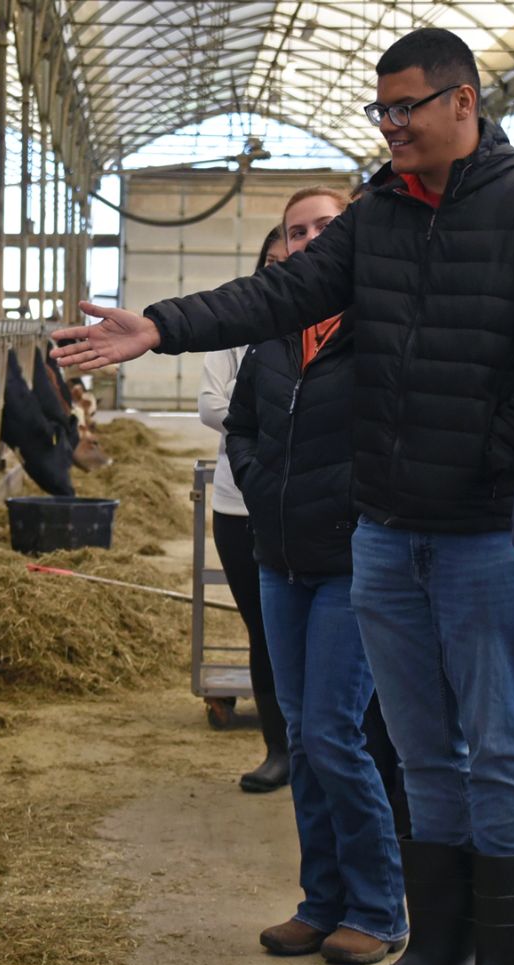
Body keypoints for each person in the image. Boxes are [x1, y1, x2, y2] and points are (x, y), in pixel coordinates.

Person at [51, 27, 514, 965]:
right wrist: (160, 325)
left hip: (480, 533)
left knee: (499, 746)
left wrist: (488, 459)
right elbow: (280, 292)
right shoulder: (379, 215)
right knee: (419, 749)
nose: (391, 126)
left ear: (464, 101)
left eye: (405, 107)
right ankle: (436, 952)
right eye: (382, 110)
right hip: (384, 531)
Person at [227, 187, 407, 965]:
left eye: (324, 227)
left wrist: (357, 505)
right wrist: (262, 484)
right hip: (280, 559)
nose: (308, 240)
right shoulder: (275, 333)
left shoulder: (382, 324)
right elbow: (241, 425)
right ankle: (321, 901)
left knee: (336, 734)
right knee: (304, 739)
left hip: (351, 561)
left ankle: (378, 907)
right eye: (295, 232)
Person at [198, 227, 290, 793]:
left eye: (295, 252)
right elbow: (210, 405)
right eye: (271, 259)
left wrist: (253, 406)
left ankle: (326, 747)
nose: (281, 266)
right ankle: (279, 748)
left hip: (313, 500)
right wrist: (280, 410)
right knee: (264, 627)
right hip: (240, 500)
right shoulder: (241, 324)